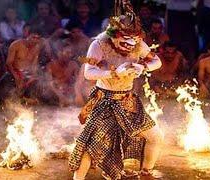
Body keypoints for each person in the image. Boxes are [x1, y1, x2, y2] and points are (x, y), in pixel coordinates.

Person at [69, 1, 163, 179]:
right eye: (124, 42)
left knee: (155, 137)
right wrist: (113, 73)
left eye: (132, 42)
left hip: (127, 101)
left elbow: (156, 61)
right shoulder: (98, 44)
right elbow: (89, 73)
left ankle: (146, 173)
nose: (129, 46)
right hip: (104, 100)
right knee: (91, 145)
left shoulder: (138, 43)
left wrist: (142, 67)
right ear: (113, 35)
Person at [6, 25, 43, 101]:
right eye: (33, 37)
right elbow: (8, 63)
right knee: (11, 83)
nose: (35, 40)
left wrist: (33, 76)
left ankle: (27, 100)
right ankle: (12, 102)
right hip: (14, 72)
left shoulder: (37, 47)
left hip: (27, 73)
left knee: (39, 83)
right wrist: (16, 75)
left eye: (37, 38)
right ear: (28, 36)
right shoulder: (16, 45)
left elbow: (34, 65)